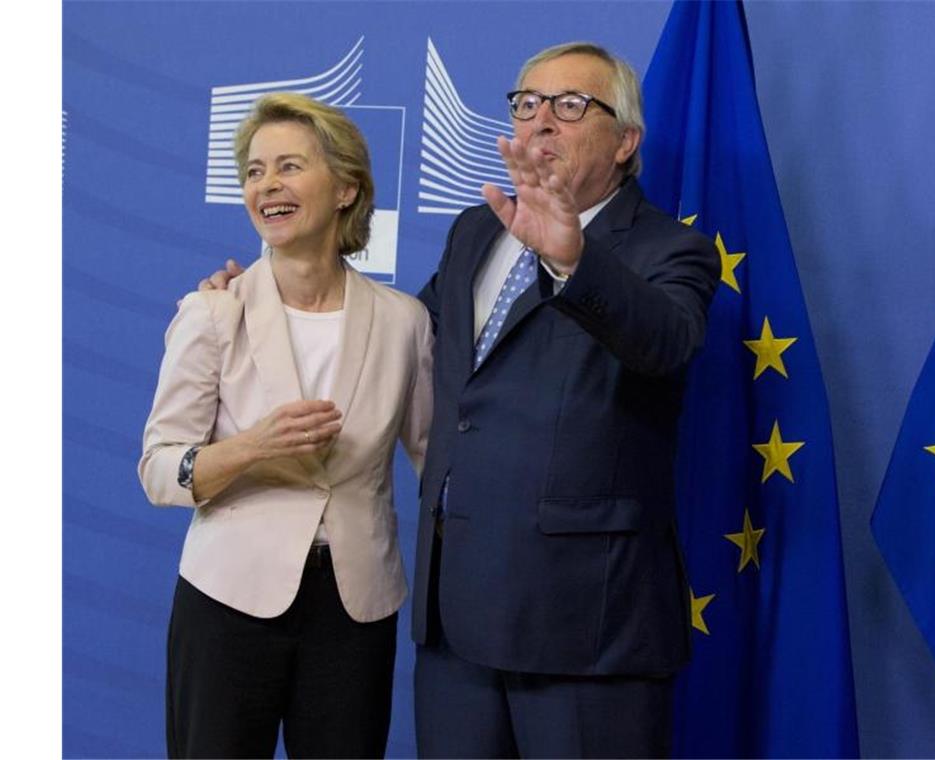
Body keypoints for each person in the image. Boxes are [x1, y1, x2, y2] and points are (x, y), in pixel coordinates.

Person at [204, 42, 719, 758]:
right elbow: (395, 342)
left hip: (587, 631)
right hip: (458, 628)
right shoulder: (478, 229)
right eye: (526, 103)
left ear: (625, 141)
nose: (541, 121)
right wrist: (265, 301)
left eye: (570, 106)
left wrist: (573, 259)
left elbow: (665, 341)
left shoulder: (669, 250)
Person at [139, 92, 433, 759]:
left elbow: (440, 465)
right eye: (253, 170)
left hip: (356, 607)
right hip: (227, 601)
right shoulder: (212, 313)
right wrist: (249, 448)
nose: (267, 184)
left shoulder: (404, 322)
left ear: (346, 189)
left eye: (289, 167)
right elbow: (159, 469)